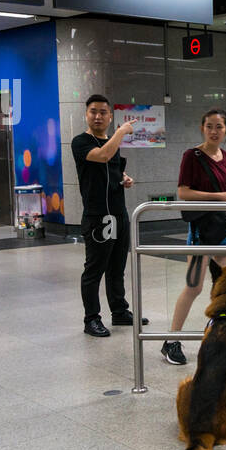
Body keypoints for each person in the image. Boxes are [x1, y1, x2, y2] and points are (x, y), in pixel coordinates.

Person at [161, 107, 226, 366]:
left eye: (219, 127)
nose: (213, 131)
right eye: (209, 126)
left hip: (225, 230)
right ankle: (171, 340)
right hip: (201, 231)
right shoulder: (192, 156)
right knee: (194, 286)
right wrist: (218, 197)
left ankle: (224, 340)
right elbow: (183, 193)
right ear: (202, 128)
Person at [72, 94, 143, 337]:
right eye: (94, 111)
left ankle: (119, 311)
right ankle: (91, 318)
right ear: (86, 114)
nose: (98, 116)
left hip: (119, 213)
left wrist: (123, 178)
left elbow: (109, 168)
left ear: (110, 116)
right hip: (97, 216)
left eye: (103, 112)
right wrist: (122, 132)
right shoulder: (80, 142)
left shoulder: (111, 143)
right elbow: (101, 156)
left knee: (117, 267)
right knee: (94, 269)